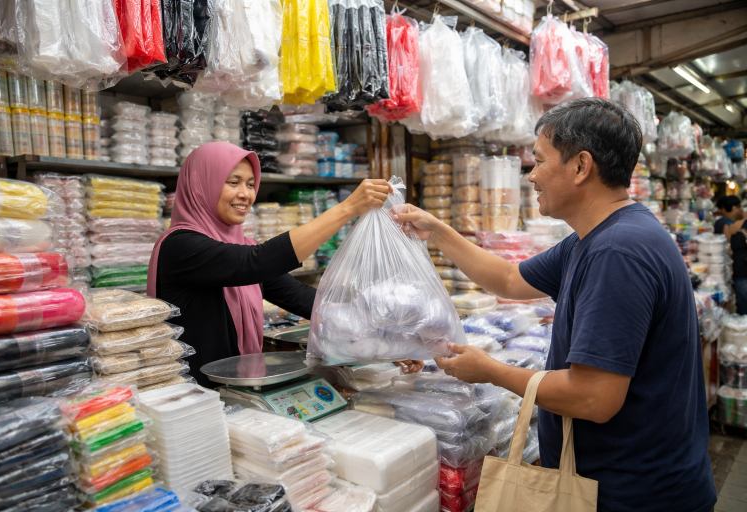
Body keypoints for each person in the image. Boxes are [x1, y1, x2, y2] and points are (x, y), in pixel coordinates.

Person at [394, 98, 715, 512]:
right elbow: (509, 279)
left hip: (636, 494)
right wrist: (436, 230)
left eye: (539, 161)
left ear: (581, 167)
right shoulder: (595, 237)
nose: (531, 176)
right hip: (619, 481)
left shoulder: (618, 251)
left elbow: (593, 398)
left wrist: (490, 370)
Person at [147, 142, 423, 387]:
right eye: (233, 182)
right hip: (192, 395)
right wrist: (347, 209)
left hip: (237, 387)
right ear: (201, 185)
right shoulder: (179, 246)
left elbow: (303, 298)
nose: (246, 194)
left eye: (250, 184)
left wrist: (386, 341)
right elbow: (255, 263)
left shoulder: (244, 245)